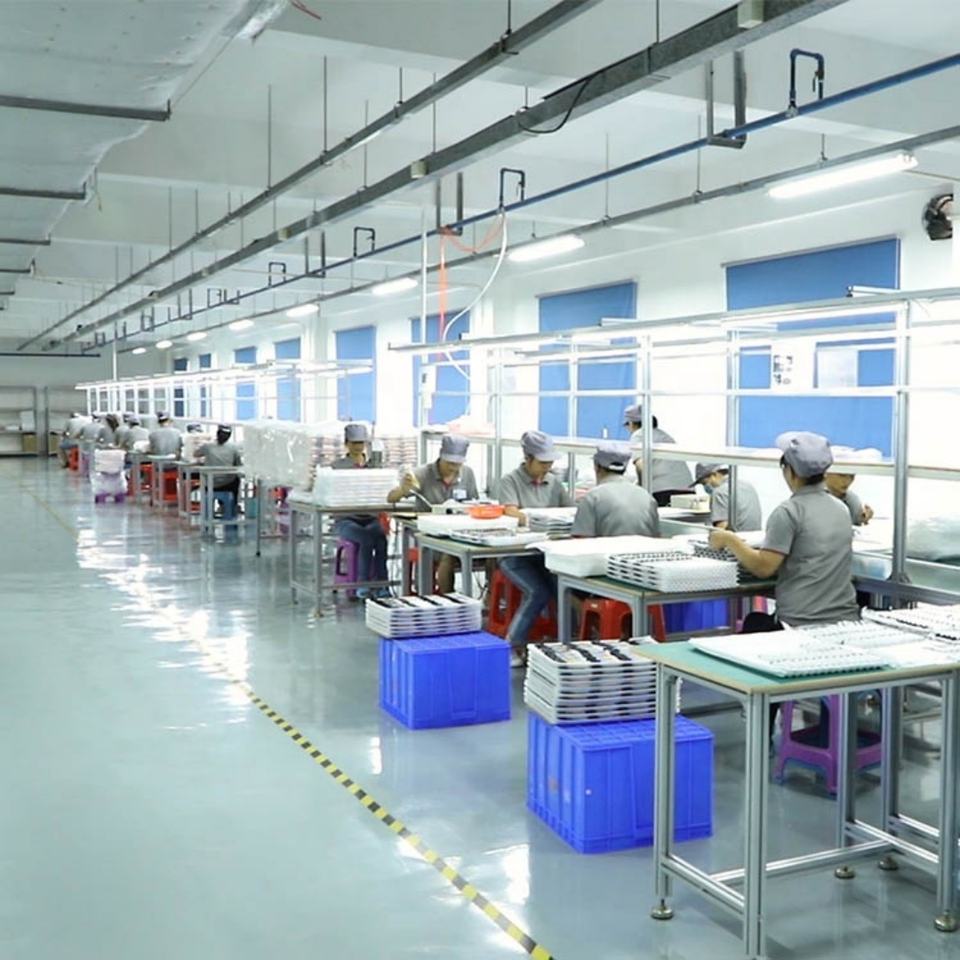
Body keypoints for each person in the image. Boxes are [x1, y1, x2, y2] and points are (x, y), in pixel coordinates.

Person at [708, 431, 859, 629]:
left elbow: (763, 567)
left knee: (753, 623)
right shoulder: (841, 509)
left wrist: (729, 539)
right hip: (844, 619)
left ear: (789, 471)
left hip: (800, 621)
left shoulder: (788, 512)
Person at [496, 430, 573, 666]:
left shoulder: (554, 483)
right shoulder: (510, 481)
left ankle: (566, 645)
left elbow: (569, 510)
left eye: (550, 463)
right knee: (538, 592)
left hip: (546, 555)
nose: (547, 467)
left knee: (564, 589)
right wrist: (537, 520)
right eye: (542, 463)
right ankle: (511, 645)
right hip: (516, 555)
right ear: (527, 458)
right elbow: (510, 511)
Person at [387, 434, 479, 592]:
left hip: (459, 533)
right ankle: (446, 598)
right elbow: (391, 498)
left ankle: (487, 598)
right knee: (448, 554)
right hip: (429, 535)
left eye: (458, 464)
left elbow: (474, 503)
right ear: (441, 456)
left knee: (492, 557)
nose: (453, 468)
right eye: (450, 463)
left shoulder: (467, 474)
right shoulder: (422, 474)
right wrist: (403, 489)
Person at [332, 423, 389, 599]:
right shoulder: (337, 467)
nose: (358, 447)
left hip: (370, 518)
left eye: (361, 443)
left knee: (381, 540)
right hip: (346, 519)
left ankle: (382, 585)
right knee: (365, 539)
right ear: (346, 444)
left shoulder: (374, 466)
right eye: (354, 443)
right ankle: (362, 585)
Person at [571, 441, 661, 538]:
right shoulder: (646, 497)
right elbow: (656, 537)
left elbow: (582, 540)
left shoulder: (593, 497)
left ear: (596, 466)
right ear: (625, 468)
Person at [623, 404, 693, 507]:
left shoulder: (639, 434)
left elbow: (641, 465)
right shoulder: (664, 435)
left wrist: (642, 489)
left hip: (664, 492)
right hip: (688, 490)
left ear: (631, 423)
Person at [196, 424, 243, 538]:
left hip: (211, 484)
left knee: (205, 479)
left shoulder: (207, 446)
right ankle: (232, 508)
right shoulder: (234, 447)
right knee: (235, 479)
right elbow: (238, 464)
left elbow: (195, 454)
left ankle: (209, 512)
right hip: (228, 484)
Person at [695, 462, 763, 531]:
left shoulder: (719, 492)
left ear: (714, 474)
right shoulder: (748, 485)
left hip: (737, 536)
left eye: (704, 483)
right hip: (756, 535)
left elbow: (721, 529)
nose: (705, 487)